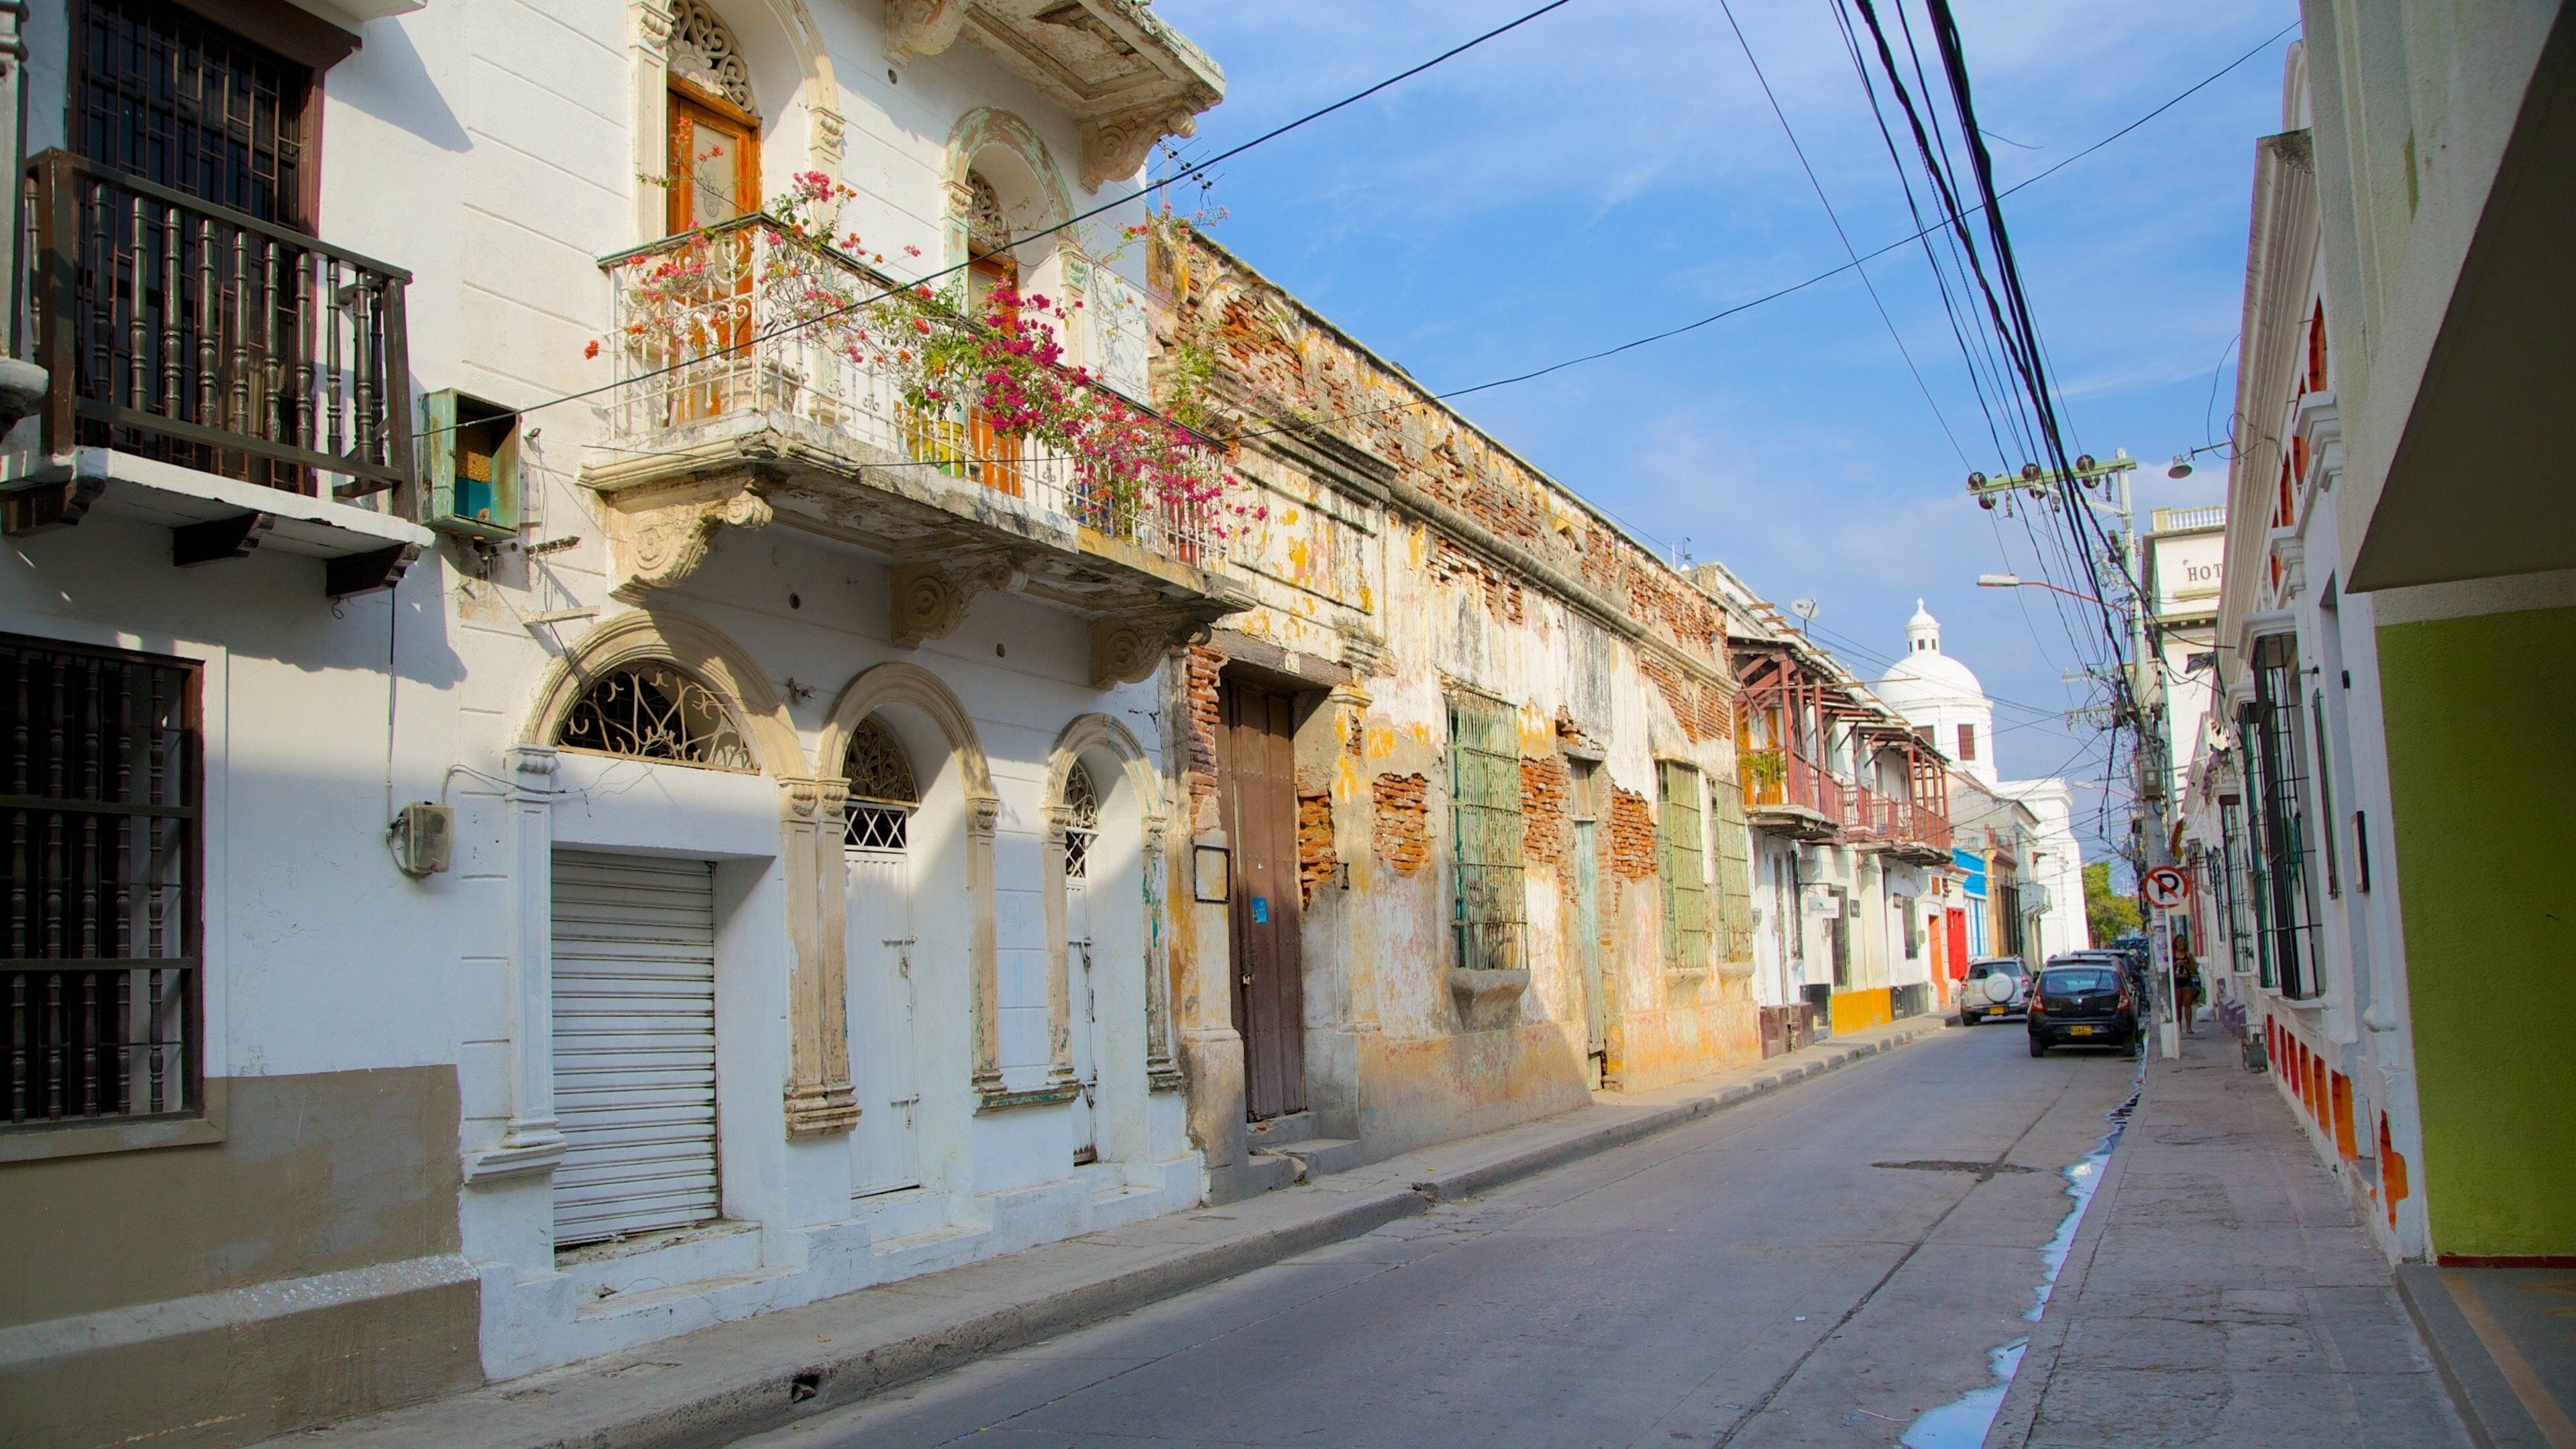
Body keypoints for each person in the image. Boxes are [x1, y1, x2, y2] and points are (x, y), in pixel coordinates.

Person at [2174, 950, 2202, 1036]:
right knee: (2178, 1005)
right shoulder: (2173, 955)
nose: (2182, 943)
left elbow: (2193, 968)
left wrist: (2186, 965)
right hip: (2177, 981)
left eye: (2183, 941)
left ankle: (2188, 1027)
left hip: (2187, 980)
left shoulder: (2188, 955)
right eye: (2180, 941)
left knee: (2188, 1004)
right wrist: (2176, 963)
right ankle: (2179, 1027)